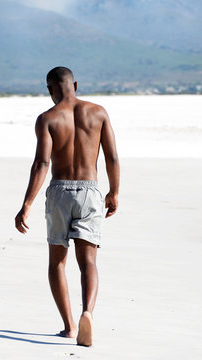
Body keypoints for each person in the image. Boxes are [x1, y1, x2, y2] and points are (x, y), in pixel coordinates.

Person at [14, 66, 120, 347]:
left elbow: (42, 163)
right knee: (88, 262)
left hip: (60, 190)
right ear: (75, 84)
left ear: (50, 89)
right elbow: (111, 157)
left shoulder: (47, 119)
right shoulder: (98, 112)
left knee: (57, 263)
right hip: (90, 190)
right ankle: (88, 312)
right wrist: (114, 192)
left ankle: (70, 326)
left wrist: (26, 204)